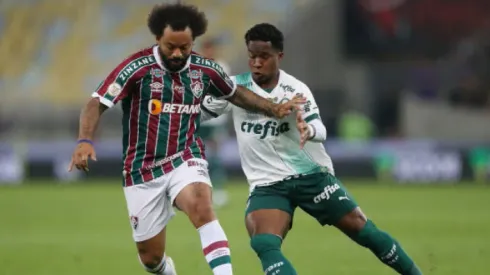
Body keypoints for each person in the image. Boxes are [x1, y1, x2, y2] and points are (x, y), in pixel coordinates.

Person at [68, 5, 303, 275]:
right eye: (171, 47)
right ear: (158, 39)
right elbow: (97, 102)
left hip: (185, 156)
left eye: (185, 47)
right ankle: (165, 269)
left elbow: (235, 93)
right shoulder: (137, 68)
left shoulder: (205, 69)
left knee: (201, 204)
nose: (178, 54)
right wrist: (84, 141)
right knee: (150, 258)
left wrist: (272, 108)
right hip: (141, 169)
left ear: (193, 42)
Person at [201, 23, 423, 275]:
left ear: (279, 56)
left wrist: (310, 130)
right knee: (263, 242)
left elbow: (319, 126)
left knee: (365, 231)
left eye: (264, 57)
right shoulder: (235, 88)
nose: (257, 63)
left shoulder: (295, 89)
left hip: (311, 176)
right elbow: (198, 114)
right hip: (268, 183)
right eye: (252, 57)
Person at [199, 38, 231, 207]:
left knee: (215, 156)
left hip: (216, 121)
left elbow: (225, 93)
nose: (208, 52)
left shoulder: (222, 67)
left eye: (211, 48)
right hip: (197, 119)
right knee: (194, 156)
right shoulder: (195, 67)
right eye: (206, 48)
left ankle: (219, 192)